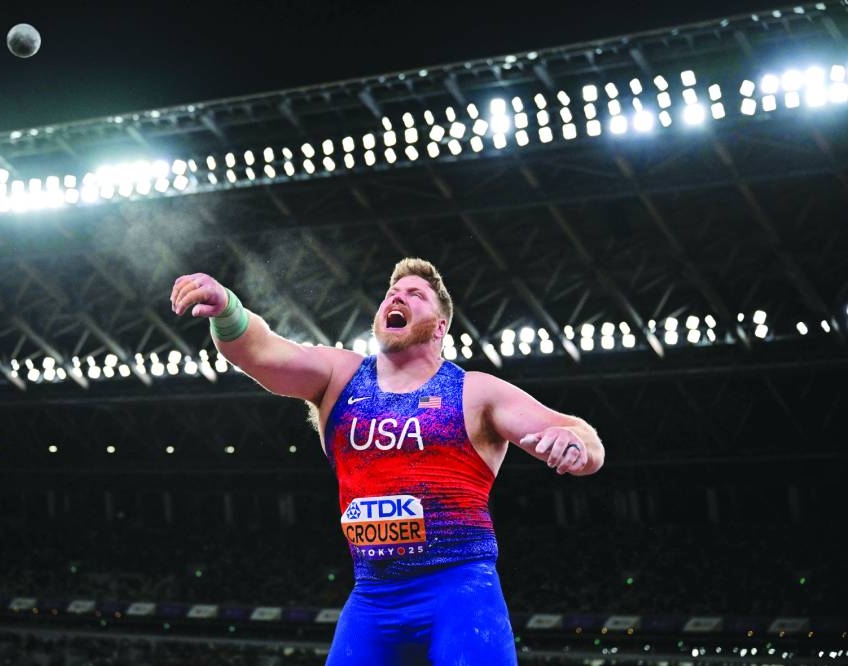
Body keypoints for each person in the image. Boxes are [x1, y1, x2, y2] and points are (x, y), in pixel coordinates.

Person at [170, 257, 604, 665]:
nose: (397, 297)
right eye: (392, 292)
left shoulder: (475, 392)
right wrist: (227, 309)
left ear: (440, 326)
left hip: (459, 591)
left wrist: (573, 443)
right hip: (373, 597)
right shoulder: (338, 377)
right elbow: (262, 352)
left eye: (415, 294)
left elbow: (583, 438)